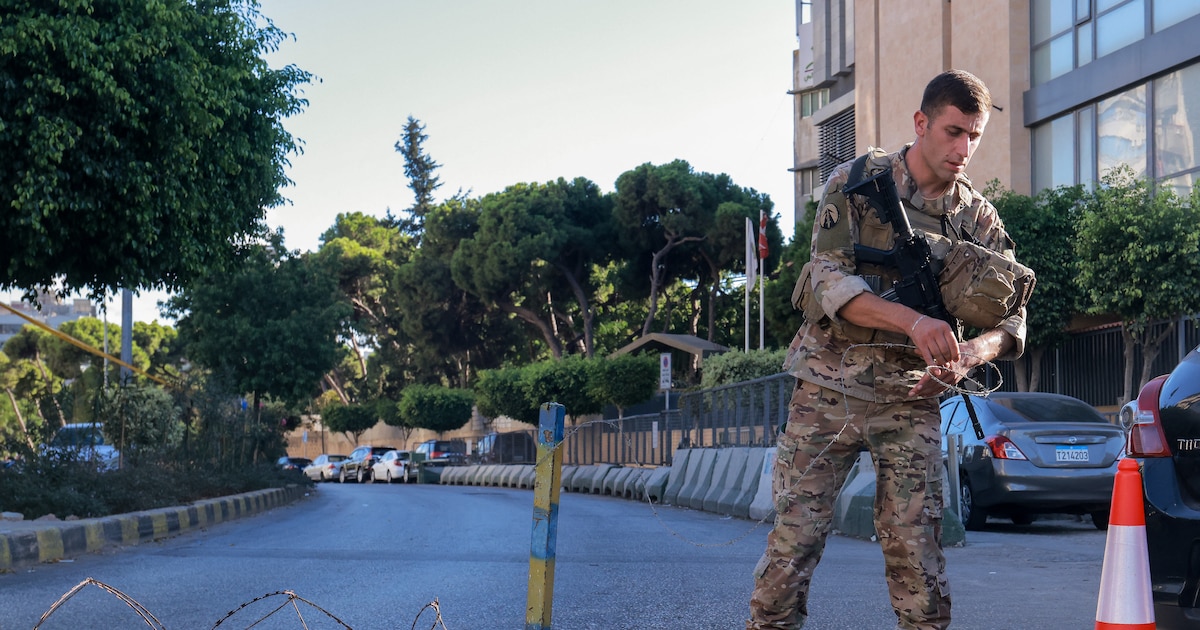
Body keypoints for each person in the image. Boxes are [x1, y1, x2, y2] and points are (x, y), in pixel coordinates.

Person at [747, 69, 1028, 630]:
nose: (962, 149)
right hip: (828, 389)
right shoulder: (854, 182)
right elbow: (826, 279)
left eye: (973, 136)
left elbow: (1015, 318)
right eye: (952, 132)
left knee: (918, 553)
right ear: (921, 123)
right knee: (795, 542)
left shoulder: (978, 218)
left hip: (911, 400)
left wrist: (968, 356)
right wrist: (915, 320)